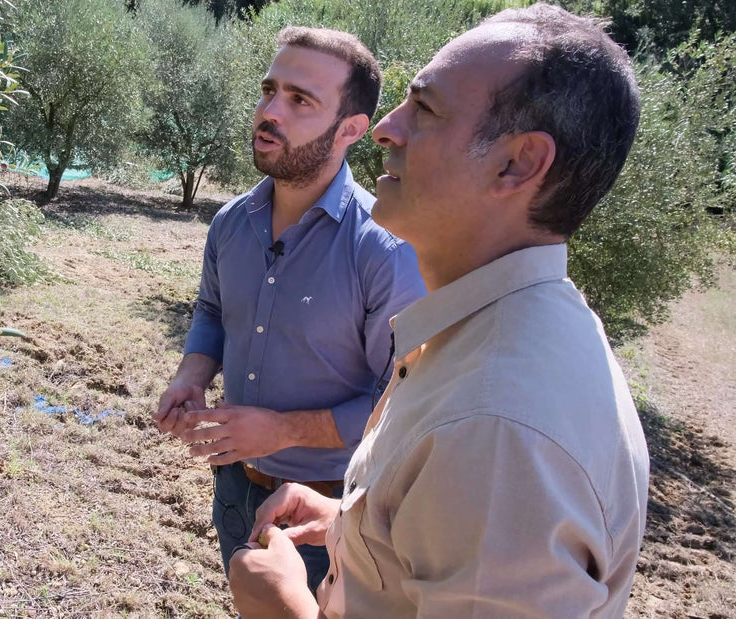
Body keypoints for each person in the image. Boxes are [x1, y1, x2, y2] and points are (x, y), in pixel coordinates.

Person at [227, 4, 651, 617]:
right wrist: (356, 529)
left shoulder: (496, 429)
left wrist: (284, 607)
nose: (384, 129)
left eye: (424, 109)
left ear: (519, 164)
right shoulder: (489, 336)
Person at [152, 27, 426, 593]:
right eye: (269, 90)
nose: (269, 111)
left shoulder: (384, 249)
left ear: (351, 129)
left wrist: (280, 429)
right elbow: (211, 306)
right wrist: (193, 373)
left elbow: (400, 402)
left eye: (300, 100)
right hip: (235, 488)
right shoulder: (231, 223)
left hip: (331, 514)